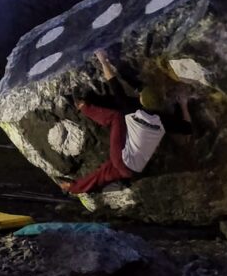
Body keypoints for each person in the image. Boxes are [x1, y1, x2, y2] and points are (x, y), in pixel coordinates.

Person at [62, 51, 194, 196]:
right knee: (105, 172)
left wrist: (103, 61)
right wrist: (183, 104)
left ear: (141, 100)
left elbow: (113, 82)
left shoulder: (131, 110)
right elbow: (188, 128)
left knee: (115, 117)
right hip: (132, 170)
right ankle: (75, 188)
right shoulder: (163, 121)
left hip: (122, 160)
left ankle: (84, 107)